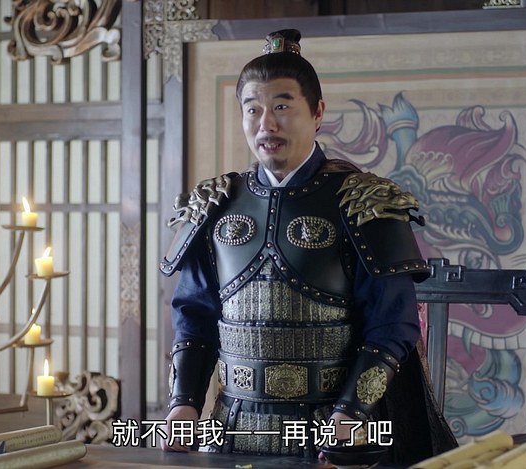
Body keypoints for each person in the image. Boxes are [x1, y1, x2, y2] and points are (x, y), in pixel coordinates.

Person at [159, 29, 457, 465]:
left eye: (282, 107)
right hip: (231, 427)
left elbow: (393, 326)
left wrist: (350, 413)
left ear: (317, 112)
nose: (266, 125)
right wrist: (183, 404)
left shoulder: (364, 202)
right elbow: (194, 316)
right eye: (253, 109)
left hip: (335, 431)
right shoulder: (215, 205)